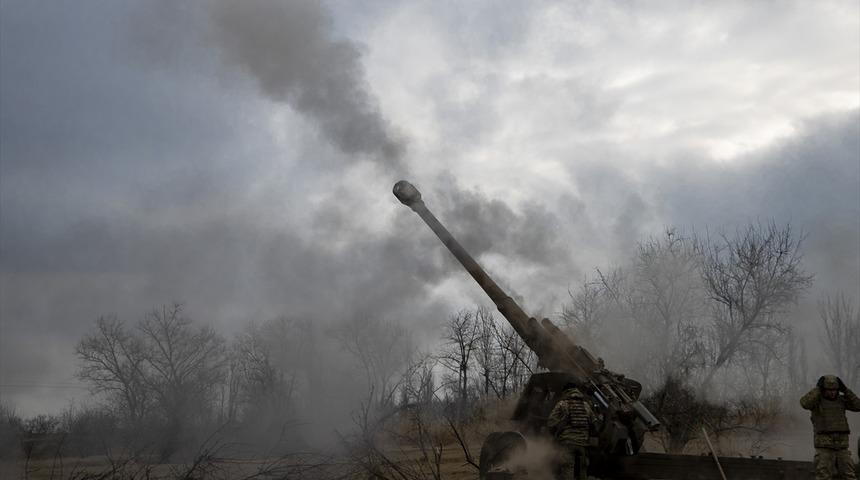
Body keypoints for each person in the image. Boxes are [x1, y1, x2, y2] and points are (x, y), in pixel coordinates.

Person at [800, 375, 860, 479]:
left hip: (842, 447)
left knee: (849, 476)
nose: (832, 392)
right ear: (823, 389)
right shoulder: (817, 401)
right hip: (824, 448)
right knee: (823, 476)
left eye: (835, 390)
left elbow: (858, 405)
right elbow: (804, 403)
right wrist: (817, 388)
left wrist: (845, 390)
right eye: (829, 390)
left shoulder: (841, 400)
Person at [547, 384, 595, 479]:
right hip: (583, 444)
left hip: (567, 443)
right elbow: (594, 423)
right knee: (583, 470)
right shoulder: (586, 405)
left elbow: (550, 422)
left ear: (566, 392)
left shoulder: (562, 404)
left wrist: (560, 424)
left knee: (568, 468)